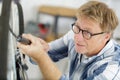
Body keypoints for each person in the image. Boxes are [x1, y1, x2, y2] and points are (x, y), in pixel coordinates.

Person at [17, 1, 120, 80]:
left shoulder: (111, 70)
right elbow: (46, 54)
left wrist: (40, 56)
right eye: (77, 27)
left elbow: (42, 57)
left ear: (106, 37)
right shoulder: (75, 34)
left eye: (87, 33)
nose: (78, 37)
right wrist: (34, 46)